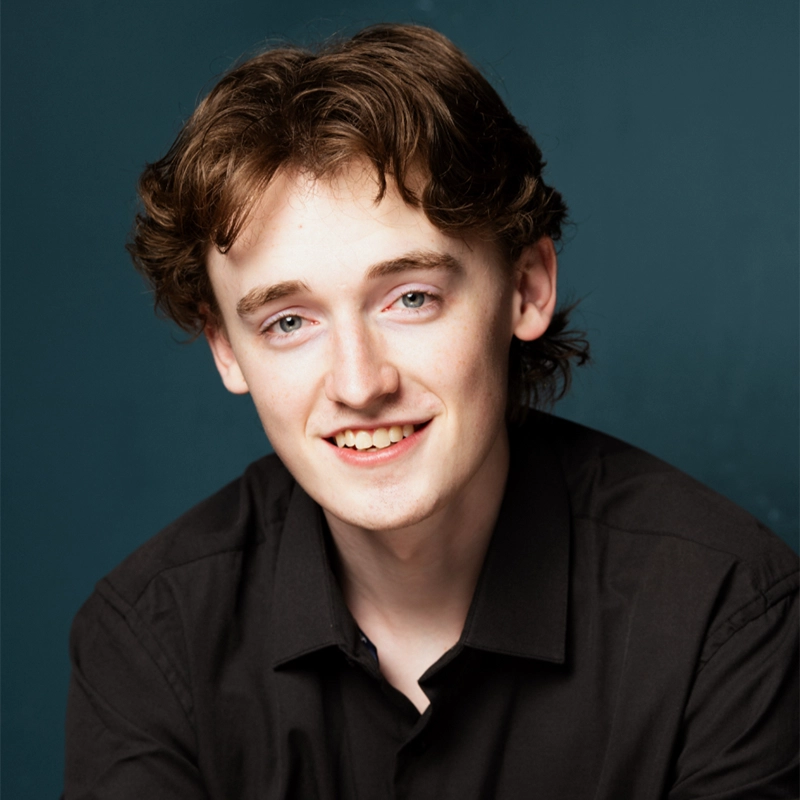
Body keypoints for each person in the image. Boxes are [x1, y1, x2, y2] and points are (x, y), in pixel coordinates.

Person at [64, 23, 798, 799]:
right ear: (226, 350)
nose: (357, 381)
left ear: (526, 288)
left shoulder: (727, 614)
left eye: (410, 297)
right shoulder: (150, 641)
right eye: (288, 321)